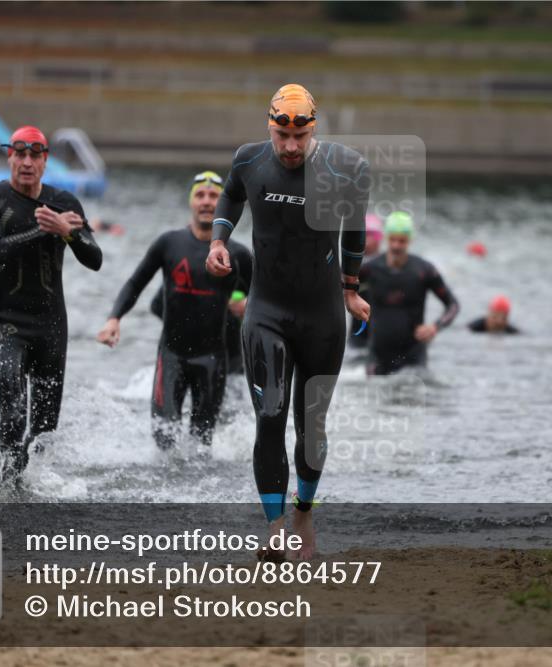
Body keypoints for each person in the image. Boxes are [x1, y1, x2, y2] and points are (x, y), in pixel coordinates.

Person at [206, 83, 370, 561]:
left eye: (300, 136)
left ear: (313, 129)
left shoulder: (346, 167)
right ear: (270, 128)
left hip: (323, 315)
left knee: (311, 426)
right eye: (282, 136)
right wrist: (218, 242)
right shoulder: (249, 160)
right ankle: (275, 529)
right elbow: (230, 197)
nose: (291, 146)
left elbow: (355, 228)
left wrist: (351, 290)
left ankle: (303, 511)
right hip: (267, 311)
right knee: (270, 413)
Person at [0, 126, 102, 487]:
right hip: (6, 325)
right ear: (9, 157)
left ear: (45, 161)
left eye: (34, 155)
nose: (26, 162)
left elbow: (95, 259)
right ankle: (7, 490)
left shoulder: (64, 201)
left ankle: (32, 492)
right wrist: (48, 229)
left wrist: (68, 232)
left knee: (44, 429)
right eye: (20, 154)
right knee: (13, 415)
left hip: (51, 329)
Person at [97, 171, 252, 449]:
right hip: (171, 357)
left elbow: (265, 298)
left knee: (201, 445)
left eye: (214, 196)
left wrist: (247, 306)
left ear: (223, 204)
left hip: (212, 361)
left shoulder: (238, 254)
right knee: (163, 439)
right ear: (191, 202)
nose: (207, 201)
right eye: (200, 195)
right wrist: (114, 318)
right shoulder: (169, 243)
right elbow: (135, 283)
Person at [359, 211, 459, 376]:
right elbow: (340, 287)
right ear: (386, 238)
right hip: (377, 355)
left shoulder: (424, 271)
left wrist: (435, 327)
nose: (396, 246)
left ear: (410, 240)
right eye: (393, 240)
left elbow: (453, 305)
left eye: (402, 241)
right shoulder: (370, 269)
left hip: (413, 356)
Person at [348, 213, 383, 348]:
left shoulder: (389, 266)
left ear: (379, 238)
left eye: (371, 235)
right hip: (358, 333)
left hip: (383, 332)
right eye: (364, 235)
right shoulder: (347, 268)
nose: (367, 240)